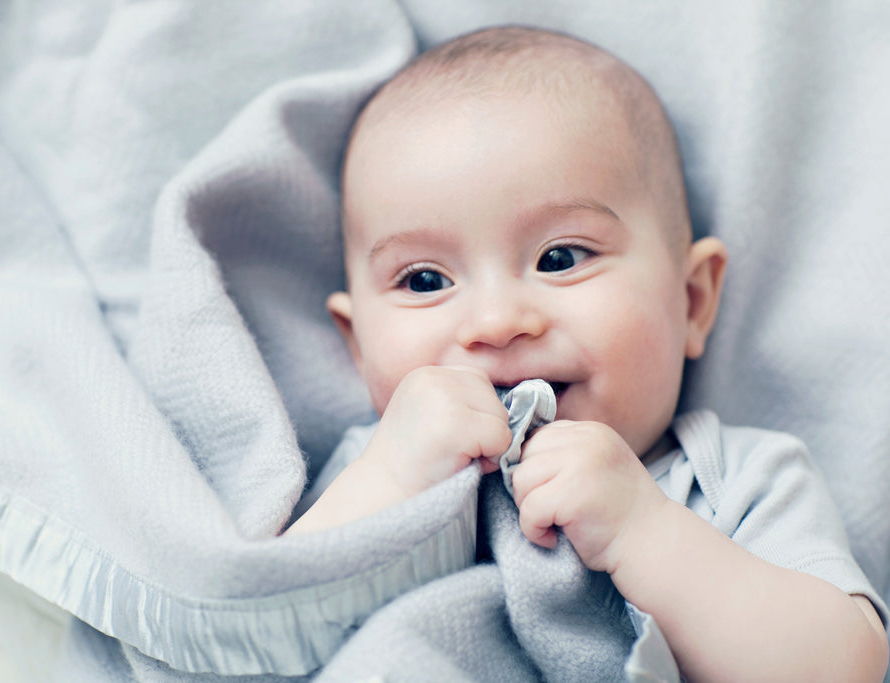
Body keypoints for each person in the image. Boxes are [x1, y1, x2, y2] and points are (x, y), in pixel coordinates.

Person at [286, 25, 888, 681]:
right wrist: (390, 485)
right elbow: (244, 643)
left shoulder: (734, 480)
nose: (496, 322)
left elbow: (845, 667)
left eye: (560, 258)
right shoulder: (366, 474)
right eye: (425, 280)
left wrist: (645, 529)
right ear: (358, 343)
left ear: (691, 300)